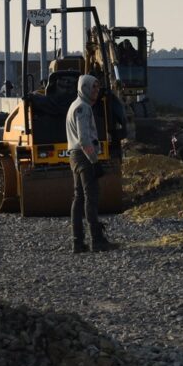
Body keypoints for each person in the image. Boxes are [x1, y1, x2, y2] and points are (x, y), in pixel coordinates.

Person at [66, 73, 115, 253]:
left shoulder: (75, 105)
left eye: (97, 86)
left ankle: (77, 242)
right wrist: (94, 161)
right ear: (84, 88)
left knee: (79, 197)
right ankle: (97, 240)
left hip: (75, 155)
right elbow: (84, 139)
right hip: (84, 156)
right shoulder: (83, 108)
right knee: (90, 196)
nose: (96, 90)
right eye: (93, 87)